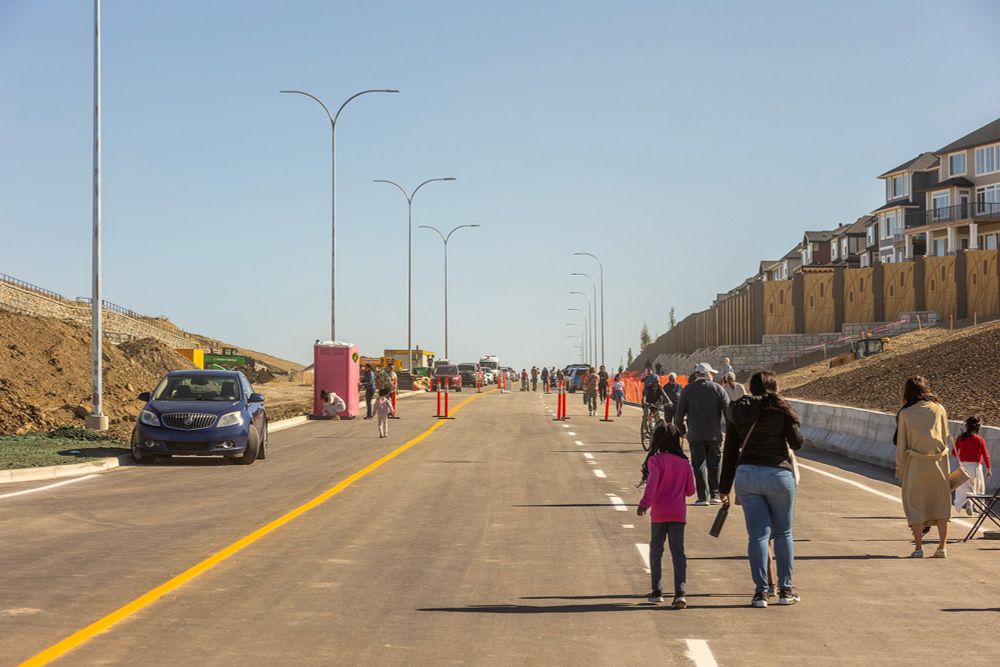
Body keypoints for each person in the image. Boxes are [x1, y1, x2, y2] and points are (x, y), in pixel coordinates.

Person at [719, 370, 804, 608]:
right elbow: (798, 442)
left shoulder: (738, 409)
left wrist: (723, 487)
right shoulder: (780, 408)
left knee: (758, 535)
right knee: (783, 533)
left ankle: (761, 593)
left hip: (746, 475)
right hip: (777, 474)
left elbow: (731, 450)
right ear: (773, 386)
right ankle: (786, 590)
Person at [637, 425, 696, 609]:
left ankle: (657, 591)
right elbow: (690, 491)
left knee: (656, 550)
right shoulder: (684, 463)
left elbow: (652, 484)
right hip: (678, 513)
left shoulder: (655, 461)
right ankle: (680, 593)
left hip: (660, 513)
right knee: (678, 552)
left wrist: (644, 503)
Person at [895, 375, 952, 559]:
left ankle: (918, 548)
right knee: (941, 505)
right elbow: (944, 436)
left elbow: (901, 444)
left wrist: (900, 470)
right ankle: (942, 548)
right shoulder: (939, 409)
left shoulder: (905, 413)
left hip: (915, 464)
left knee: (915, 505)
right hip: (939, 463)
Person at [674, 362, 729, 506]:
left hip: (695, 434)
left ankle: (703, 497)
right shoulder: (718, 389)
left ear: (697, 374)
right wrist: (731, 432)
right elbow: (729, 413)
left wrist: (682, 431)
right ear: (708, 374)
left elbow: (678, 415)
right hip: (714, 435)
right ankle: (715, 494)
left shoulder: (688, 390)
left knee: (698, 465)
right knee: (715, 464)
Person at [952, 416, 991, 515]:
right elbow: (985, 455)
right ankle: (973, 505)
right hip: (975, 467)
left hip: (963, 467)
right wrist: (988, 468)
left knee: (964, 488)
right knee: (976, 487)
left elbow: (953, 453)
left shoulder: (961, 438)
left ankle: (968, 503)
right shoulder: (979, 439)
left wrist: (959, 451)